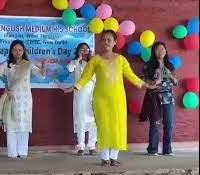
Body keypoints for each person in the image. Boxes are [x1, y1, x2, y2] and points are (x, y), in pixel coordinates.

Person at [63, 30, 155, 166]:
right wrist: (73, 87)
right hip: (101, 99)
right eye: (104, 39)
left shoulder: (121, 60)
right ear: (100, 42)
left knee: (117, 126)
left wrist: (144, 85)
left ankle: (114, 156)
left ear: (115, 42)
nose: (106, 42)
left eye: (109, 40)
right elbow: (85, 77)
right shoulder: (95, 59)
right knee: (104, 127)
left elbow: (131, 76)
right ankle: (105, 158)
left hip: (117, 99)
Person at [0, 40, 48, 158]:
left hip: (25, 100)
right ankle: (12, 153)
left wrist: (44, 64)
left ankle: (22, 152)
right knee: (11, 124)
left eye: (20, 50)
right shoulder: (7, 65)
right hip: (11, 98)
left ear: (23, 52)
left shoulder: (28, 64)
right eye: (15, 50)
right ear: (11, 51)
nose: (17, 52)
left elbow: (41, 76)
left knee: (24, 123)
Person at [140, 41, 178, 156]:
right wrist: (155, 81)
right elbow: (143, 82)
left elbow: (175, 81)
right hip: (155, 98)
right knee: (155, 124)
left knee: (169, 123)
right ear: (153, 52)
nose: (161, 51)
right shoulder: (148, 65)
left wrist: (174, 79)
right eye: (158, 49)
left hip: (168, 97)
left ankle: (167, 150)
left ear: (165, 51)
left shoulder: (170, 65)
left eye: (162, 49)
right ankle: (152, 150)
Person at [66, 42, 97, 156]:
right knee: (80, 119)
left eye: (86, 49)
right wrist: (77, 59)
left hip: (92, 93)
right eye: (82, 49)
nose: (84, 51)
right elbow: (69, 69)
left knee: (94, 120)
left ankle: (92, 145)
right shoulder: (76, 62)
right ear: (78, 51)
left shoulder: (93, 63)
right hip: (80, 94)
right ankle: (81, 145)